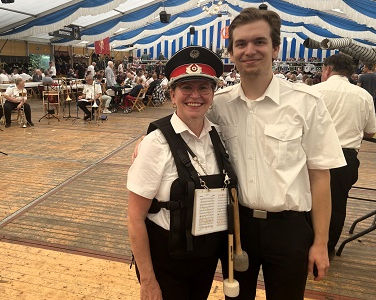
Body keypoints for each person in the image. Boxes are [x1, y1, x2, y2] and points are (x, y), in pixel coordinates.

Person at [208, 8, 345, 299]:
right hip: (236, 225)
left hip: (289, 228)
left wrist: (321, 243)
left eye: (259, 42)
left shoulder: (306, 103)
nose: (249, 50)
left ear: (275, 49)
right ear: (231, 52)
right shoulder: (219, 105)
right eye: (240, 44)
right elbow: (186, 126)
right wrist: (150, 136)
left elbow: (320, 177)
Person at [128, 46, 235, 300]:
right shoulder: (155, 143)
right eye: (186, 87)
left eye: (203, 88)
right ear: (173, 95)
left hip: (205, 259)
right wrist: (148, 280)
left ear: (212, 93)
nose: (195, 95)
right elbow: (134, 218)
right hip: (167, 263)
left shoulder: (218, 136)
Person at [311, 54, 376, 259]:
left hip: (312, 155)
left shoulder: (312, 92)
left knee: (305, 201)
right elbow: (370, 132)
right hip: (344, 157)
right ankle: (327, 249)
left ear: (327, 69)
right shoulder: (363, 96)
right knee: (337, 205)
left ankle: (305, 244)